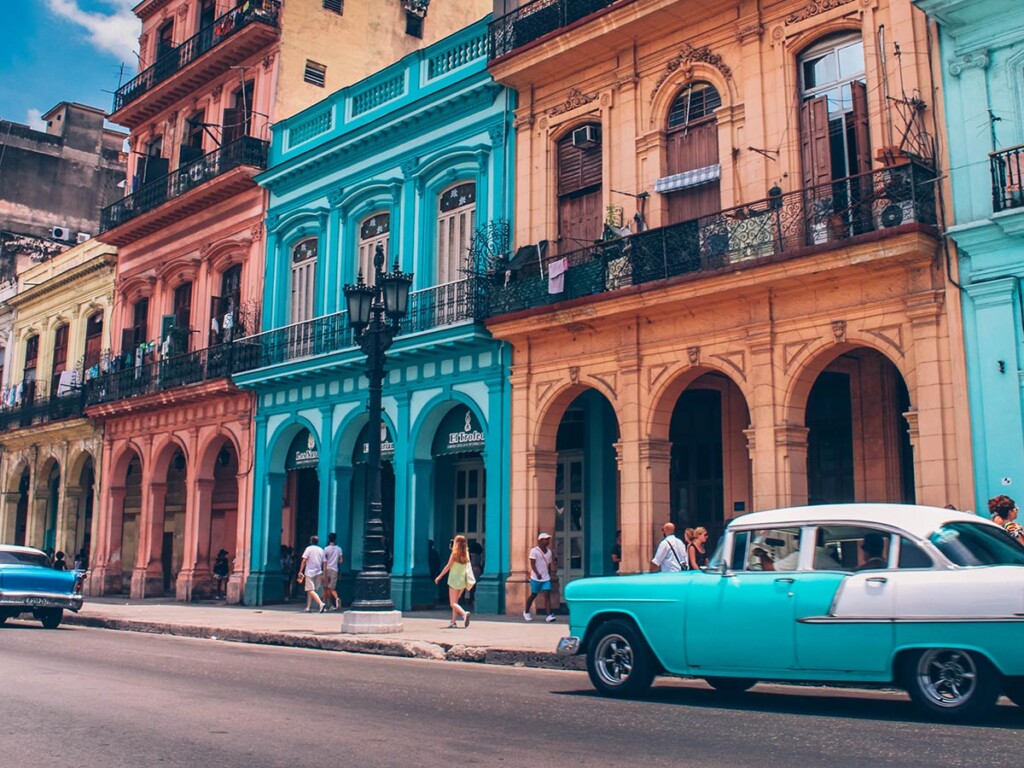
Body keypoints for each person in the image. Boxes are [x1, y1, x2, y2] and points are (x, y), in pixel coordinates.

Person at [435, 534, 472, 628]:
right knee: (456, 602)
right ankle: (453, 622)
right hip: (462, 581)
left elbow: (447, 567)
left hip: (454, 580)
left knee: (452, 603)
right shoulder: (466, 554)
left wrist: (439, 576)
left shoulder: (454, 555)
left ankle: (464, 614)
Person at [524, 532, 556, 622]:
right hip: (535, 578)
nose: (548, 541)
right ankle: (526, 611)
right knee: (533, 595)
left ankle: (549, 615)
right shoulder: (534, 551)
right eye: (546, 539)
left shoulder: (549, 552)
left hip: (546, 578)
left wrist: (549, 574)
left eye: (548, 539)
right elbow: (532, 563)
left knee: (547, 594)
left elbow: (548, 564)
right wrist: (537, 573)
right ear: (541, 541)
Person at [298, 535, 327, 613]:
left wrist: (300, 571)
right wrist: (324, 573)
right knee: (314, 590)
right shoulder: (321, 550)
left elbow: (304, 560)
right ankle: (308, 607)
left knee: (310, 589)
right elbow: (324, 562)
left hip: (309, 572)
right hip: (319, 572)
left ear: (311, 541)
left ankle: (321, 604)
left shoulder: (308, 549)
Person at [323, 532, 343, 611]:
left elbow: (324, 560)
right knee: (332, 588)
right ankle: (336, 599)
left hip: (327, 569)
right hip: (335, 569)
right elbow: (341, 560)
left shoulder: (326, 549)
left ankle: (330, 603)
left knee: (326, 587)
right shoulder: (339, 549)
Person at [427, 539, 445, 606]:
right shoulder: (434, 552)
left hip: (429, 572)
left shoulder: (426, 553)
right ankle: (435, 599)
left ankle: (431, 600)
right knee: (435, 587)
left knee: (430, 586)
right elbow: (438, 563)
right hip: (434, 572)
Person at [466, 540, 484, 607]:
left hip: (471, 569)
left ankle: (470, 600)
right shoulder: (479, 554)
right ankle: (473, 600)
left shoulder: (470, 554)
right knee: (475, 586)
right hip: (477, 569)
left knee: (471, 587)